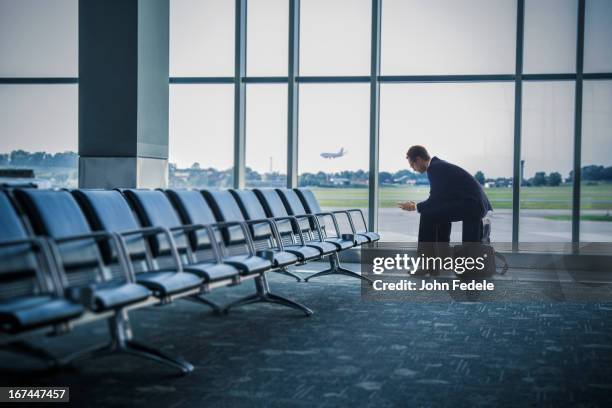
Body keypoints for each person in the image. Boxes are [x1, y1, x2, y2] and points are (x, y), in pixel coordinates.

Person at [397, 145, 492, 245]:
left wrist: (415, 206)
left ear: (418, 159)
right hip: (476, 204)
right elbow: (440, 198)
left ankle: (426, 256)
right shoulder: (438, 165)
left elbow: (434, 200)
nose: (413, 169)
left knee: (427, 213)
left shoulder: (434, 168)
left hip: (473, 205)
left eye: (412, 165)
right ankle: (442, 250)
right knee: (436, 210)